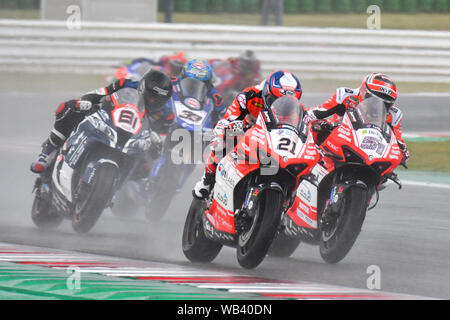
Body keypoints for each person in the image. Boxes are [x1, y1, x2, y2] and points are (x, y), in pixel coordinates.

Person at [30, 69, 174, 174]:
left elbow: (161, 143)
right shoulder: (126, 84)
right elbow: (98, 94)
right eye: (150, 97)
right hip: (108, 121)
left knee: (145, 170)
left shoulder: (166, 114)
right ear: (142, 88)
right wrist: (86, 102)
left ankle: (117, 192)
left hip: (134, 142)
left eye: (158, 101)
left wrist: (158, 140)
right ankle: (46, 153)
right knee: (68, 108)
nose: (153, 102)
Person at [193, 69, 304, 199]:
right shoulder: (249, 95)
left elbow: (305, 127)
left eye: (288, 102)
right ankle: (207, 179)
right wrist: (234, 125)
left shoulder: (297, 109)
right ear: (266, 92)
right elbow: (228, 118)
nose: (281, 105)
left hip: (274, 142)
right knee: (225, 138)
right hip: (247, 134)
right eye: (275, 99)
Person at [306, 73, 410, 165]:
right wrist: (301, 118)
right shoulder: (346, 96)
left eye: (385, 103)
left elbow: (397, 140)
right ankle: (310, 161)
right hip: (338, 141)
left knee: (387, 174)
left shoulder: (394, 114)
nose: (377, 105)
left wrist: (403, 151)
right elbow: (318, 111)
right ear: (363, 91)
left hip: (370, 148)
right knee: (315, 125)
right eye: (373, 99)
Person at [173, 59, 226, 125]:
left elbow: (223, 116)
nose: (195, 86)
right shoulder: (173, 82)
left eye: (201, 82)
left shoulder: (214, 95)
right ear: (183, 76)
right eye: (191, 82)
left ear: (207, 82)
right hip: (173, 116)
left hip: (200, 127)